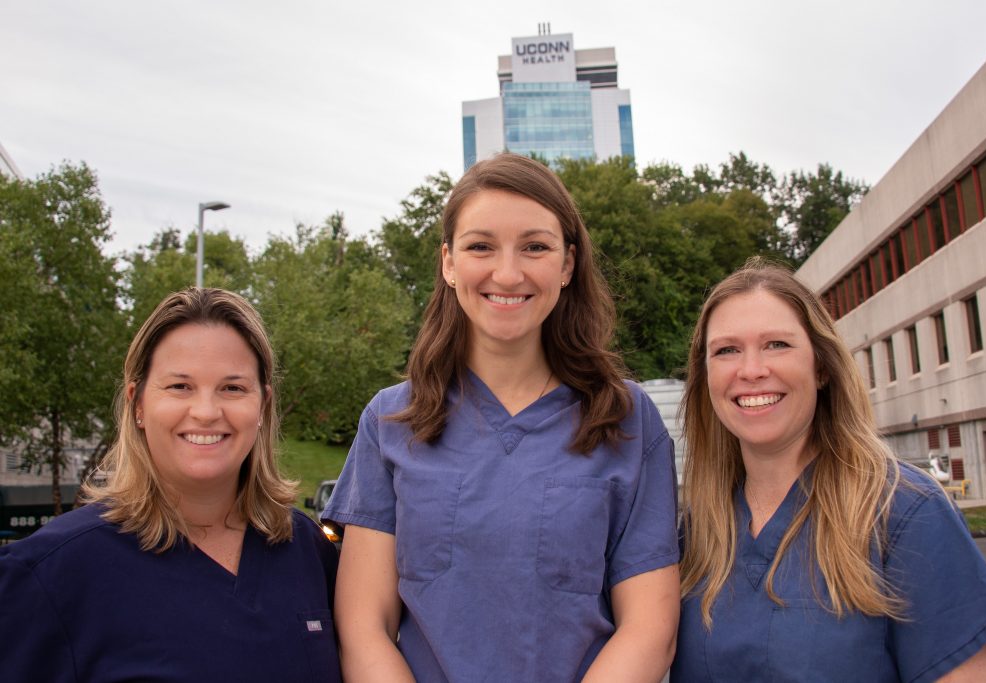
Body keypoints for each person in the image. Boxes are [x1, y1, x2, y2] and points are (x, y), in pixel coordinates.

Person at [324, 153, 680, 682]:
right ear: (448, 263)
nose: (507, 273)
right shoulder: (390, 421)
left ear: (567, 265)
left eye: (535, 247)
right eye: (480, 246)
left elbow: (650, 629)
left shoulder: (627, 421)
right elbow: (363, 626)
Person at [671, 257, 986, 682]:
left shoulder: (905, 514)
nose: (751, 370)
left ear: (821, 367)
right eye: (726, 350)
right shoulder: (697, 533)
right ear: (705, 377)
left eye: (777, 345)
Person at [0, 288, 342, 682]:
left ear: (262, 404)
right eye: (180, 386)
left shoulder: (307, 552)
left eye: (232, 388)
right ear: (138, 403)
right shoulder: (50, 575)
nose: (206, 412)